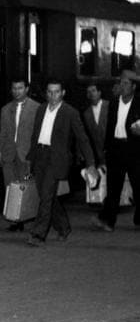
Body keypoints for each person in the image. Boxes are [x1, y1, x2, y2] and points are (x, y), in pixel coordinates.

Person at [26, 78, 97, 246]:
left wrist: (91, 164)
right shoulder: (41, 109)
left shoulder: (70, 112)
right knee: (47, 196)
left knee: (46, 196)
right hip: (40, 155)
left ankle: (38, 234)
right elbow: (36, 134)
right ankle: (63, 227)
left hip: (56, 158)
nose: (52, 95)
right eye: (49, 92)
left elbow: (83, 139)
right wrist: (31, 157)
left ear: (63, 93)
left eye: (56, 92)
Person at [95, 70, 140, 232]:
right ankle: (108, 220)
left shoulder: (138, 103)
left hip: (135, 150)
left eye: (126, 83)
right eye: (121, 83)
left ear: (134, 87)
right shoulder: (114, 103)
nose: (122, 86)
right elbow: (109, 128)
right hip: (116, 149)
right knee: (113, 187)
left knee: (138, 185)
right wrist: (105, 149)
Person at [0, 77, 40, 231]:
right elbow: (3, 133)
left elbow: (37, 134)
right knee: (10, 186)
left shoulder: (36, 108)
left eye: (20, 88)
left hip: (26, 153)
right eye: (14, 88)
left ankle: (27, 216)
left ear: (26, 89)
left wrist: (35, 154)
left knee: (25, 187)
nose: (17, 91)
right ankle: (15, 219)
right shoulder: (5, 109)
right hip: (8, 153)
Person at [81, 82, 109, 168]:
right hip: (97, 156)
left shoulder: (110, 106)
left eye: (93, 90)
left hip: (112, 152)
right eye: (88, 92)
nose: (91, 94)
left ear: (99, 92)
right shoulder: (86, 113)